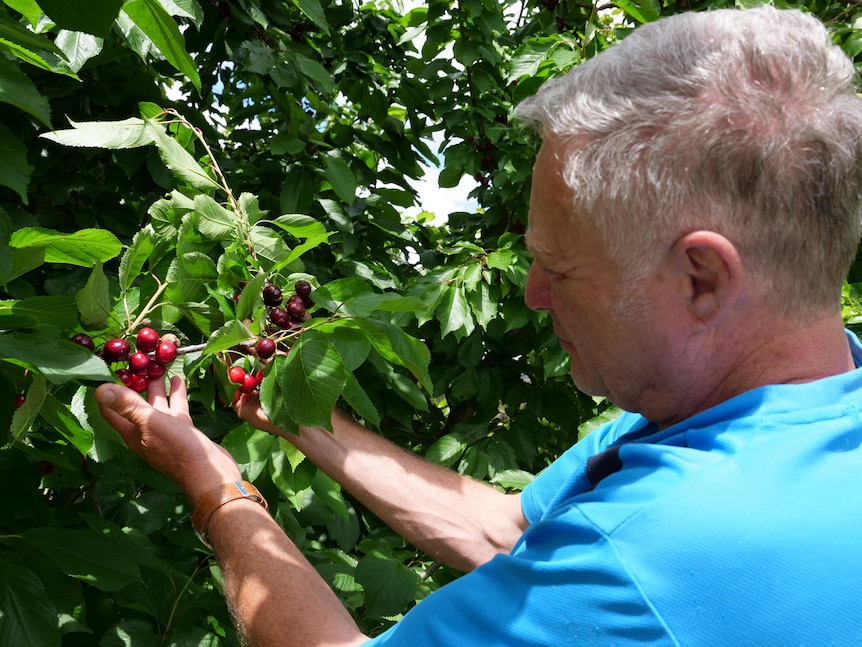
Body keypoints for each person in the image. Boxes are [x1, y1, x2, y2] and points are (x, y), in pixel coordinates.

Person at [96, 5, 862, 645]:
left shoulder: (648, 546)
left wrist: (215, 488)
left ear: (702, 279)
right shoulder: (769, 404)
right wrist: (300, 417)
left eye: (557, 269)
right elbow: (502, 529)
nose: (531, 293)